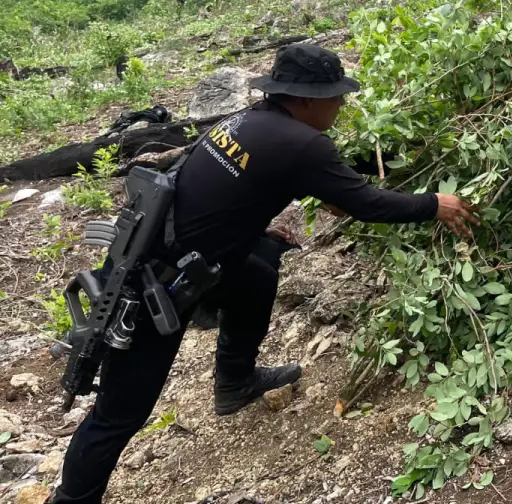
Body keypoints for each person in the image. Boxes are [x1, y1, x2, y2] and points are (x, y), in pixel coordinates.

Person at [52, 44, 480, 504]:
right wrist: (435, 204)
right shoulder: (303, 143)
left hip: (161, 253)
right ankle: (71, 499)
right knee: (118, 415)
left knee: (256, 273)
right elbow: (368, 204)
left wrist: (258, 226)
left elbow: (227, 191)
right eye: (336, 97)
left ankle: (234, 384)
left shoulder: (246, 122)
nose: (340, 105)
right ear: (307, 100)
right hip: (149, 288)